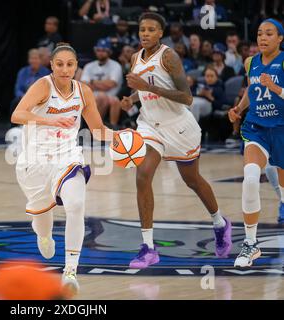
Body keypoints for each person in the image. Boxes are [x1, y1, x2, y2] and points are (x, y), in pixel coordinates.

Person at [120, 12, 231, 269]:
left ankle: (219, 223)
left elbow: (187, 97)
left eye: (151, 29)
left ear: (161, 33)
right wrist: (132, 99)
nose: (145, 33)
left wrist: (146, 89)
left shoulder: (169, 56)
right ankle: (148, 247)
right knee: (142, 175)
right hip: (150, 125)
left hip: (179, 127)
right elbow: (143, 87)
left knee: (191, 179)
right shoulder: (136, 57)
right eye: (142, 29)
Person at [11, 43, 113, 295]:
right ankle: (44, 235)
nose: (65, 69)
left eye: (70, 64)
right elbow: (17, 114)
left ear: (76, 66)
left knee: (76, 205)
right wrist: (49, 119)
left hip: (68, 156)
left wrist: (125, 138)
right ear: (52, 66)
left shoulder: (83, 91)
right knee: (42, 223)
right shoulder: (43, 86)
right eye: (60, 64)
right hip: (36, 159)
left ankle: (70, 271)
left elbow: (99, 130)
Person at [228, 19, 284, 267]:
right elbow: (252, 90)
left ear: (280, 38)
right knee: (251, 178)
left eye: (269, 34)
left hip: (282, 129)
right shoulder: (251, 62)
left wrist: (277, 89)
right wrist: (239, 109)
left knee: (283, 192)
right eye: (260, 34)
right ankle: (250, 244)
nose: (263, 38)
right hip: (257, 128)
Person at [81, 38, 123, 128]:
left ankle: (113, 127)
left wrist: (92, 82)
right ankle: (95, 127)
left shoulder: (116, 65)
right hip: (92, 97)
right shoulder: (89, 66)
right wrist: (103, 84)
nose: (100, 53)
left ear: (109, 52)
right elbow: (84, 85)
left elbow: (111, 84)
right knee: (101, 96)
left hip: (110, 96)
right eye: (98, 50)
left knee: (114, 100)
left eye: (104, 50)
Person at [10, 48, 51, 115]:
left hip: (40, 99)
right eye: (32, 58)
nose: (34, 61)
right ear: (28, 60)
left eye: (36, 58)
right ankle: (14, 124)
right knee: (15, 102)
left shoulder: (46, 72)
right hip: (24, 98)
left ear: (40, 60)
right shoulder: (23, 72)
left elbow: (48, 89)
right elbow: (18, 89)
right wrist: (22, 96)